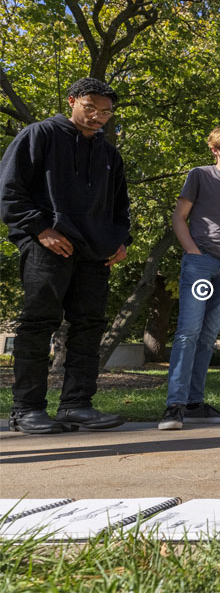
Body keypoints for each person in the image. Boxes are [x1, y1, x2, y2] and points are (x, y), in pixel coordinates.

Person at [0, 77, 130, 434]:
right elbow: (10, 192)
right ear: (72, 101)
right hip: (46, 246)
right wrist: (41, 229)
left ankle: (77, 405)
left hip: (95, 254)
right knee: (39, 324)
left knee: (89, 327)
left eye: (105, 112)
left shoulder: (109, 154)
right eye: (90, 108)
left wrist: (121, 241)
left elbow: (121, 207)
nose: (98, 117)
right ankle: (26, 410)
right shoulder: (38, 135)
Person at [158, 127, 220, 430]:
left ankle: (194, 403)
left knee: (207, 336)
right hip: (200, 263)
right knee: (188, 332)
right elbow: (179, 216)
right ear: (216, 150)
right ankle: (174, 406)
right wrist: (193, 252)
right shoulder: (199, 175)